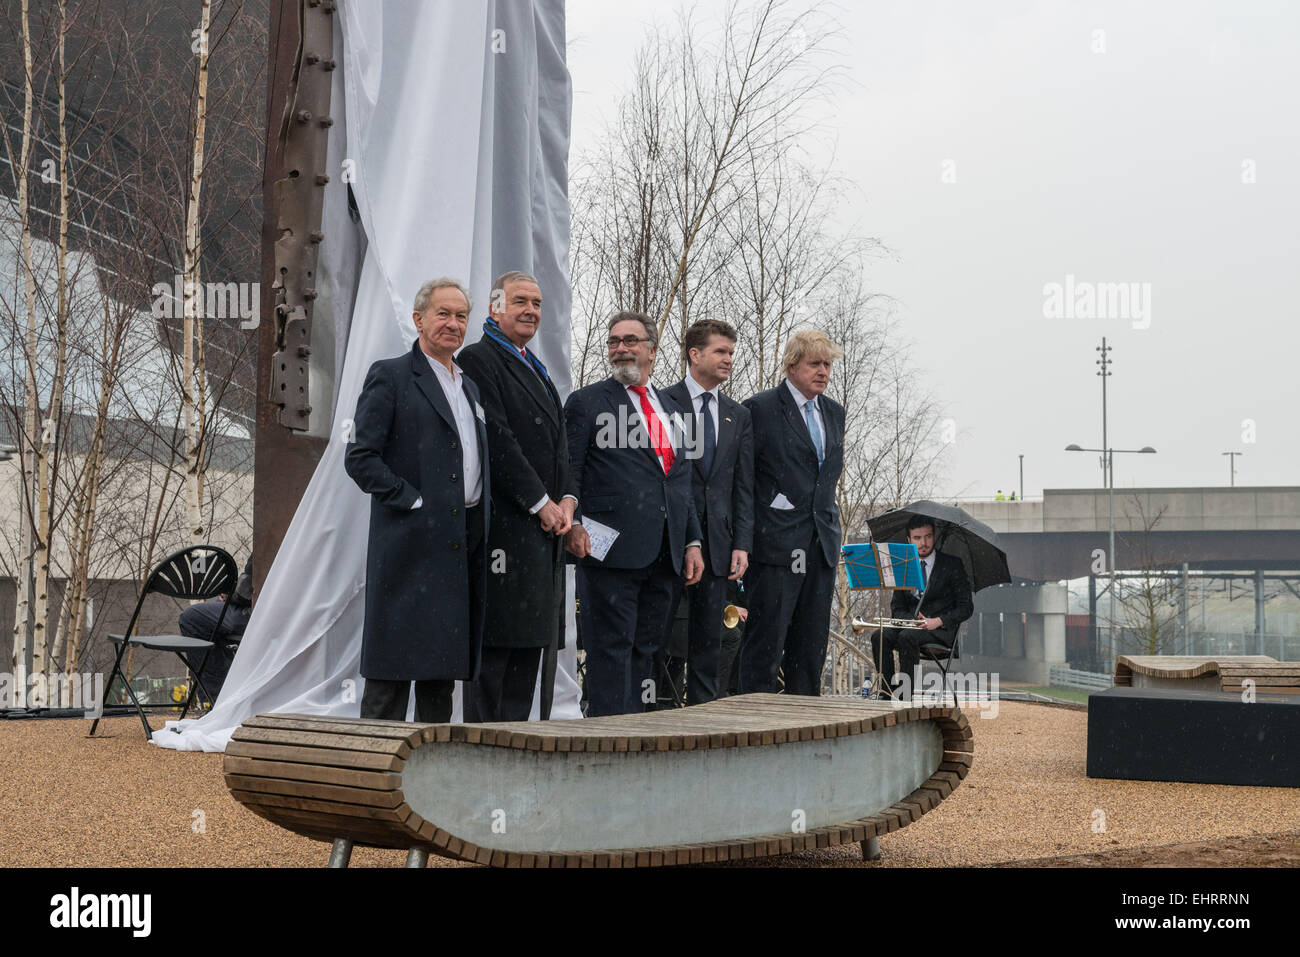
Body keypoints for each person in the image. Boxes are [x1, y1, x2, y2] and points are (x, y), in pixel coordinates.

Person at [344, 277, 490, 723]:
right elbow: (361, 457)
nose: (452, 323)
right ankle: (370, 775)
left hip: (457, 545)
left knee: (439, 676)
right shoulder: (390, 375)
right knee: (390, 674)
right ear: (419, 319)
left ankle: (433, 778)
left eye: (461, 315)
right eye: (442, 313)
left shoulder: (470, 387)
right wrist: (412, 502)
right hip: (406, 546)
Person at [563, 311, 704, 717]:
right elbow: (569, 469)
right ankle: (607, 739)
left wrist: (692, 540)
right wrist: (572, 524)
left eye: (630, 341)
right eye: (613, 342)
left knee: (648, 651)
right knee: (611, 649)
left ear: (653, 351)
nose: (620, 348)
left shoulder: (674, 406)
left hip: (666, 552)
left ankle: (639, 736)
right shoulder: (588, 402)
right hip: (608, 550)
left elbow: (682, 482)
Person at [456, 271, 575, 721]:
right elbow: (499, 442)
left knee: (529, 650)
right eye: (520, 301)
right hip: (505, 531)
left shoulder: (535, 367)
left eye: (538, 303)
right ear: (495, 308)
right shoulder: (480, 359)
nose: (531, 311)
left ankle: (519, 747)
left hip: (544, 536)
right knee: (497, 653)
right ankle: (484, 753)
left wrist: (567, 501)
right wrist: (540, 502)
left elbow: (560, 448)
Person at [737, 329, 845, 696]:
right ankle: (756, 729)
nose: (823, 372)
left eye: (828, 364)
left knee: (810, 649)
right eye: (815, 363)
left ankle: (805, 731)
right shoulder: (760, 409)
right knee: (765, 648)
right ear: (792, 365)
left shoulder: (834, 413)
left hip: (822, 548)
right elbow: (745, 482)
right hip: (776, 548)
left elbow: (825, 480)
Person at [659, 319, 753, 706]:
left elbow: (743, 487)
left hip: (719, 547)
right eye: (720, 351)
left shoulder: (738, 414)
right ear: (694, 354)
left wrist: (742, 544)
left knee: (709, 647)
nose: (728, 359)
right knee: (663, 645)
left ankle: (702, 723)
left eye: (731, 352)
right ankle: (658, 722)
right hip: (668, 542)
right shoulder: (662, 403)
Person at [871, 515, 974, 697]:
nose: (923, 542)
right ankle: (886, 691)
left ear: (934, 536)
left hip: (940, 629)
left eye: (927, 536)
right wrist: (911, 621)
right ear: (909, 540)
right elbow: (897, 607)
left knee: (907, 637)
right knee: (879, 636)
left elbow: (966, 607)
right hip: (911, 626)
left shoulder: (952, 565)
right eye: (917, 538)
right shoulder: (904, 565)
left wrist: (938, 621)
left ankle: (905, 695)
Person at [179, 555, 253, 701]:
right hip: (289, 613)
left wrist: (229, 595)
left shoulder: (270, 538)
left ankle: (216, 699)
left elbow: (246, 590)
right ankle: (224, 695)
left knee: (192, 619)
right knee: (214, 618)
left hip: (257, 614)